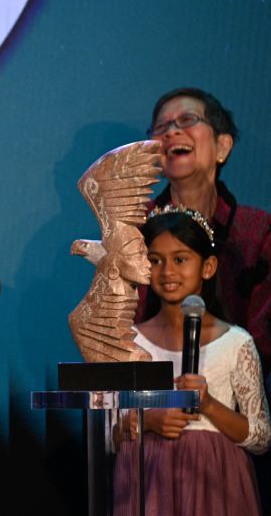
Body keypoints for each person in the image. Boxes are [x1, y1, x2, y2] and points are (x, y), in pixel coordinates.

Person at [140, 88, 271, 503]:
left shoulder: (257, 231)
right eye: (161, 126)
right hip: (150, 445)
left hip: (230, 441)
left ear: (222, 145)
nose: (172, 131)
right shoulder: (130, 233)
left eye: (186, 121)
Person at [114, 206, 270, 515]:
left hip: (215, 480)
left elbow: (261, 436)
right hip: (149, 478)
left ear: (208, 267)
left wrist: (209, 404)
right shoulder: (129, 342)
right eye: (155, 261)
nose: (167, 271)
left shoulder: (236, 343)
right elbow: (110, 430)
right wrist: (147, 420)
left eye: (180, 259)